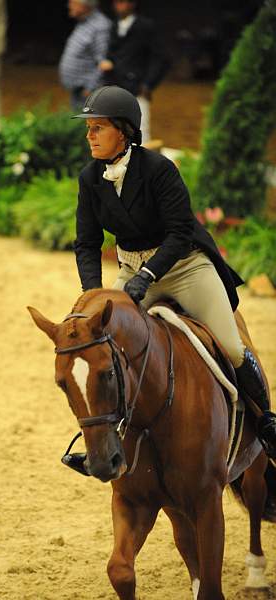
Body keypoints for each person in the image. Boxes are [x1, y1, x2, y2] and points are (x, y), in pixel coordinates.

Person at [72, 85, 276, 459]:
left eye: (98, 127)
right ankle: (101, 439)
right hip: (132, 270)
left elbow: (181, 232)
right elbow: (86, 243)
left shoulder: (159, 169)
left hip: (185, 267)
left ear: (124, 130)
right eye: (89, 128)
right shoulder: (89, 178)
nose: (90, 136)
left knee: (231, 347)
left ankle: (267, 423)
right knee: (102, 346)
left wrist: (147, 277)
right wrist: (93, 294)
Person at [99, 0, 169, 143]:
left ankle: (142, 164)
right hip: (114, 87)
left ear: (132, 4)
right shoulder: (113, 26)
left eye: (123, 2)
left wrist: (148, 83)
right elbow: (112, 53)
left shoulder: (145, 26)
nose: (119, 5)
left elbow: (161, 57)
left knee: (140, 131)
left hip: (137, 87)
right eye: (116, 2)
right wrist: (108, 62)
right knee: (115, 131)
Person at [59, 0, 111, 110]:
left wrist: (91, 88)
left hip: (89, 93)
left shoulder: (100, 26)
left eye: (73, 2)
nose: (69, 5)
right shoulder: (84, 22)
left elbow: (104, 62)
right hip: (78, 90)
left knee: (90, 125)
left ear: (85, 6)